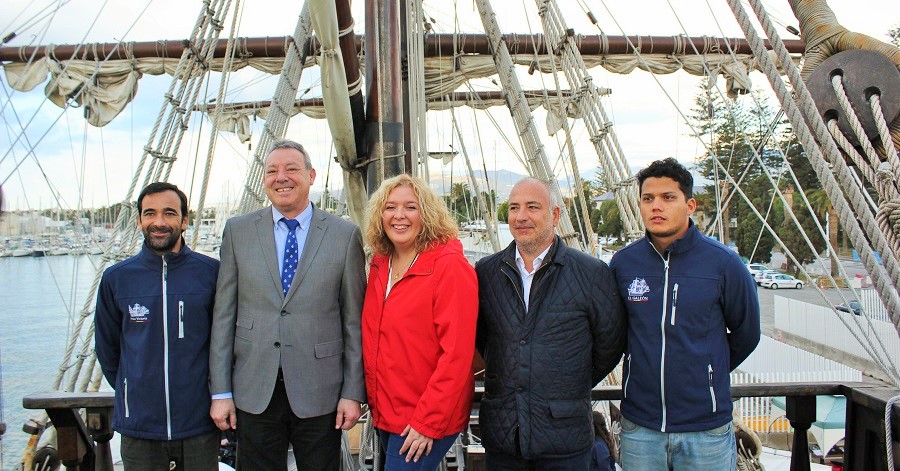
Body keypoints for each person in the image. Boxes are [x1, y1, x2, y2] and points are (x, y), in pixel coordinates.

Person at [208, 139, 366, 470]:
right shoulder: (237, 232)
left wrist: (352, 392)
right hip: (253, 387)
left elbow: (353, 322)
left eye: (291, 169)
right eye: (272, 171)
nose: (281, 177)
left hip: (321, 390)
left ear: (311, 175)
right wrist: (220, 393)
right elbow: (224, 317)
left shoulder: (344, 235)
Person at [609, 158, 760, 470]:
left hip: (705, 429)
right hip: (641, 427)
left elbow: (747, 333)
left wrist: (706, 374)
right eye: (648, 198)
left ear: (690, 205)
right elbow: (613, 333)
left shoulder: (723, 264)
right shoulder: (623, 265)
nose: (656, 206)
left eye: (668, 197)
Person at [475, 177, 627, 470]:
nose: (521, 216)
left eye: (533, 207)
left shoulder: (591, 273)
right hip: (505, 438)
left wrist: (568, 382)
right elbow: (484, 339)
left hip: (565, 439)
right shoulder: (487, 273)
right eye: (514, 208)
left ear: (555, 215)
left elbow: (611, 343)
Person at [95, 182, 220, 470]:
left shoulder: (211, 274)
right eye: (150, 213)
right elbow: (107, 349)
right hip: (139, 425)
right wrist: (133, 389)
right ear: (139, 220)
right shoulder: (117, 279)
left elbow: (224, 342)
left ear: (184, 221)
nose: (159, 222)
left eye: (169, 213)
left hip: (199, 423)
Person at [361, 174, 478, 470]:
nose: (399, 215)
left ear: (426, 214)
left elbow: (457, 355)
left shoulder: (449, 267)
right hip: (386, 411)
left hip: (424, 418)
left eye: (410, 207)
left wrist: (428, 421)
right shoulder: (381, 263)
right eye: (390, 207)